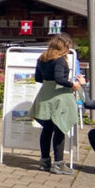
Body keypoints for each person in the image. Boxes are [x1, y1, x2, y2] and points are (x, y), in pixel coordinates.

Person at [30, 33, 82, 175]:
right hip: (58, 97)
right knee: (59, 129)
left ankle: (44, 162)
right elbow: (59, 79)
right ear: (64, 47)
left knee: (47, 130)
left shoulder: (42, 58)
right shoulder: (59, 60)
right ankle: (58, 164)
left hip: (44, 95)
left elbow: (38, 78)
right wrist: (73, 84)